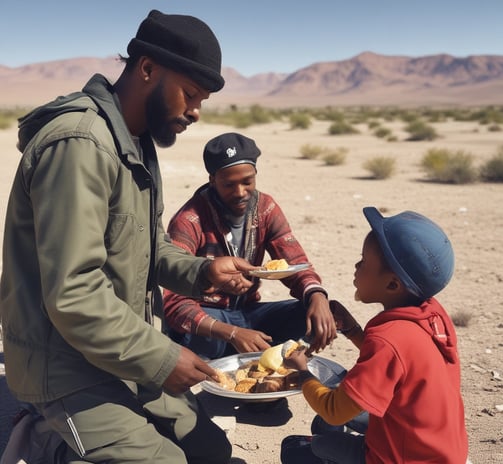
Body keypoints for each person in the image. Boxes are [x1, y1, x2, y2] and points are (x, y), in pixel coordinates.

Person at [0, 10, 258, 464]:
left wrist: (203, 271)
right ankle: (49, 444)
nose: (196, 112)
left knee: (211, 450)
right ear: (147, 69)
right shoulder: (81, 144)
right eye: (191, 94)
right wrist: (162, 358)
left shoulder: (135, 142)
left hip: (116, 352)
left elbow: (150, 244)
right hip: (64, 367)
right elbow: (74, 293)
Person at [280, 207, 468, 464]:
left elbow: (335, 411)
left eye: (364, 262)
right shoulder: (431, 314)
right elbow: (399, 363)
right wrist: (353, 330)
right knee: (323, 423)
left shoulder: (389, 339)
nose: (356, 266)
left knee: (298, 447)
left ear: (392, 285)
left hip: (402, 458)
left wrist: (302, 373)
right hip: (439, 449)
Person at [162, 132, 338, 359]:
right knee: (189, 331)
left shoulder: (265, 207)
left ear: (255, 174)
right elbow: (174, 303)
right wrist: (232, 333)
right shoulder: (189, 219)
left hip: (247, 314)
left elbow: (295, 262)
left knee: (320, 312)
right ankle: (233, 353)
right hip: (209, 321)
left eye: (248, 182)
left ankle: (262, 354)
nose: (240, 193)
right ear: (212, 179)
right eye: (229, 185)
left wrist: (316, 295)